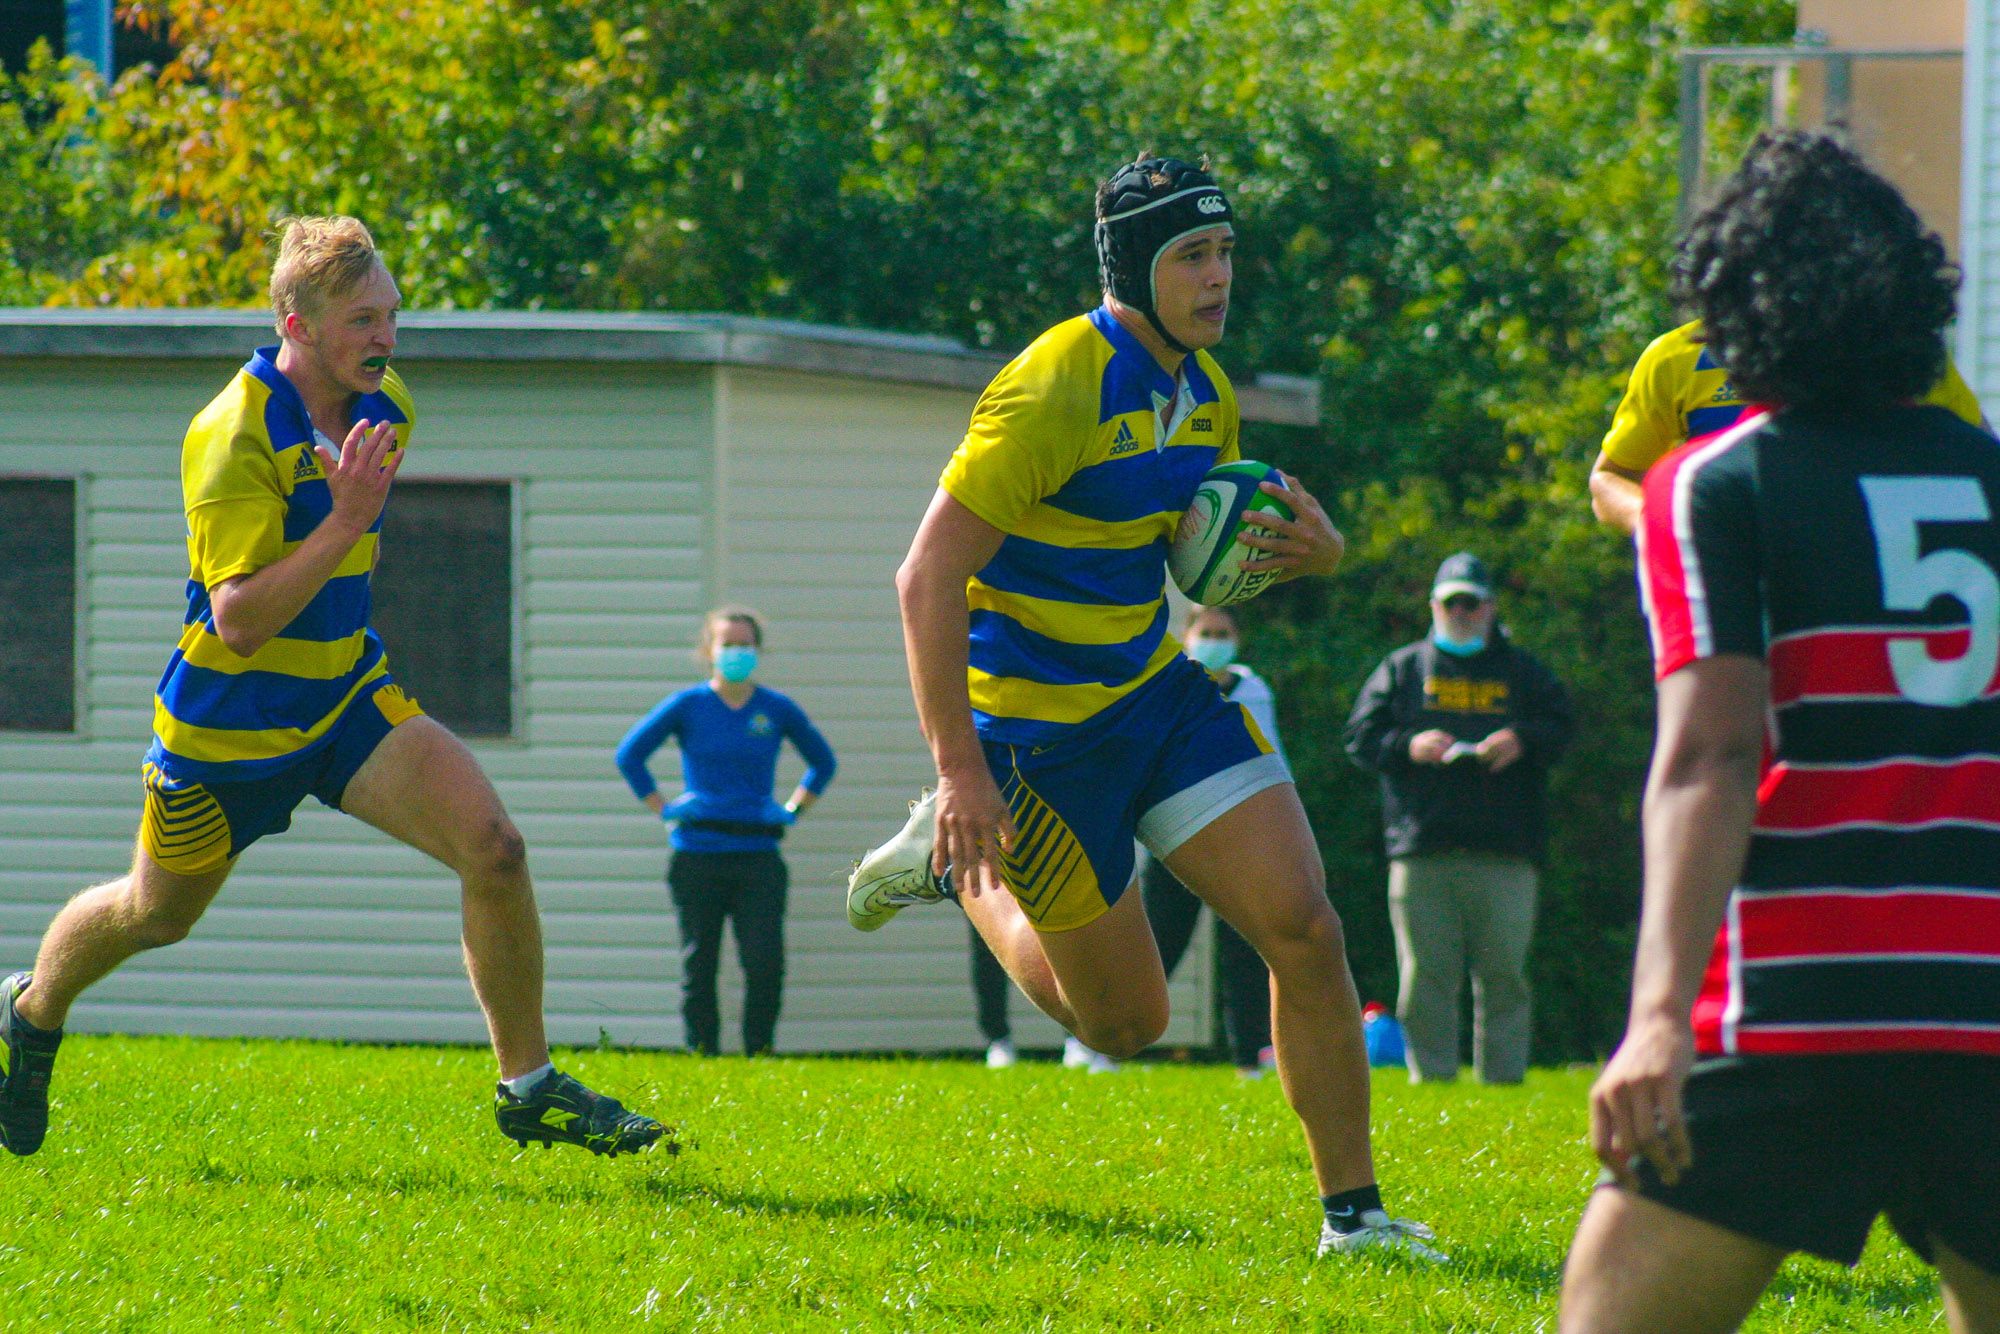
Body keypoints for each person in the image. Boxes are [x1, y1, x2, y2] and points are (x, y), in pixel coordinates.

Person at [845, 155, 1443, 1259]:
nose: (1218, 278)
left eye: (1224, 254)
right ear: (1132, 266)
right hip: (1037, 742)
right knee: (1123, 1024)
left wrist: (1314, 553)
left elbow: (1192, 559)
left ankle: (1353, 1220)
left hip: (1158, 698)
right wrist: (967, 773)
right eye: (1191, 257)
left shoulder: (1204, 394)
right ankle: (953, 857)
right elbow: (923, 577)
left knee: (1304, 927)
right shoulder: (1051, 383)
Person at [0, 216, 664, 1158]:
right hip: (227, 730)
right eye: (361, 319)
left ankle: (529, 1086)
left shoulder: (385, 404)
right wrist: (347, 517)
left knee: (496, 848)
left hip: (347, 697)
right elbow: (238, 620)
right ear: (295, 321)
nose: (385, 338)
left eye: (391, 315)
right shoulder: (229, 433)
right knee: (153, 914)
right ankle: (31, 1012)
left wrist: (347, 520)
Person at [1560, 132, 2000, 1334]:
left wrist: (1652, 1018)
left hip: (1796, 1003)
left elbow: (1710, 753)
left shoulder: (1715, 481)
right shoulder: (1992, 475)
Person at [1344, 553, 1574, 1085]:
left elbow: (1563, 727)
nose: (1462, 612)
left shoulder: (1524, 671)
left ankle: (1503, 1083)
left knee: (1504, 977)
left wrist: (1522, 739)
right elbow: (1360, 737)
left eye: (1472, 602)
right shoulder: (1403, 669)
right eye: (1452, 602)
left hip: (1508, 852)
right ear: (1433, 606)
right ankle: (1432, 1082)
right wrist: (1410, 745)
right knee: (1425, 978)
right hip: (1423, 849)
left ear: (1491, 606)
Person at [615, 607, 835, 1057]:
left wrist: (792, 809)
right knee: (699, 962)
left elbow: (822, 763)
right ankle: (703, 1053)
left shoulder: (775, 709)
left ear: (757, 651)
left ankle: (760, 1050)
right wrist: (664, 808)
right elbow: (630, 755)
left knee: (763, 962)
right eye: (728, 644)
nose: (737, 653)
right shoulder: (687, 705)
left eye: (745, 645)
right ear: (709, 650)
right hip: (697, 853)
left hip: (758, 855)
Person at [1587, 315, 1984, 536]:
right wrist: (1671, 531)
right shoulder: (1677, 356)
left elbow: (1983, 465)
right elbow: (1608, 478)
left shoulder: (1904, 354)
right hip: (1726, 588)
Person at [1141, 605, 1277, 1079]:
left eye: (1224, 632)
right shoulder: (1168, 685)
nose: (1216, 640)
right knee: (1158, 944)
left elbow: (1271, 762)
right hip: (1175, 834)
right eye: (1207, 632)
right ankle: (1102, 1047)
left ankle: (1251, 1055)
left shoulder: (1256, 692)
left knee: (1244, 949)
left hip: (1239, 840)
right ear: (1187, 636)